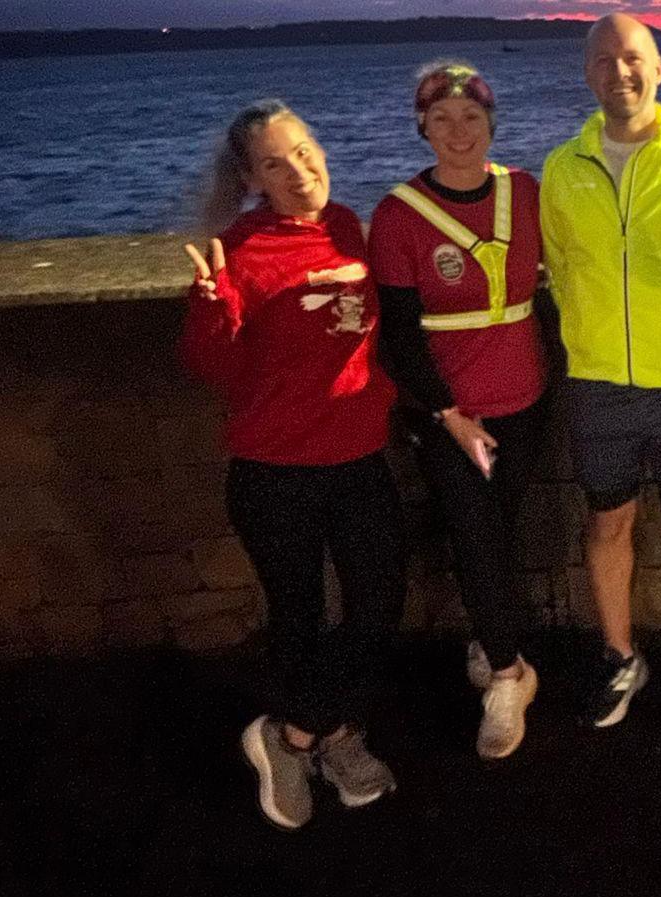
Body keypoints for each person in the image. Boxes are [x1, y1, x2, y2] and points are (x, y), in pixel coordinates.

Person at [181, 100, 404, 830]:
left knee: (376, 603)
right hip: (276, 470)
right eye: (275, 163)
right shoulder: (239, 253)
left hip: (359, 457)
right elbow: (216, 370)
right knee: (300, 616)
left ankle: (290, 737)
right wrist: (214, 306)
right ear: (252, 178)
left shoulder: (344, 225)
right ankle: (334, 740)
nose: (299, 170)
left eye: (304, 150)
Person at [539, 13, 661, 741]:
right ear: (588, 75)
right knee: (607, 525)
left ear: (658, 70)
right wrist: (591, 338)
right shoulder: (562, 170)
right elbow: (559, 271)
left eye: (632, 59)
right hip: (599, 383)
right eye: (603, 61)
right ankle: (620, 656)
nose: (619, 72)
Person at [368, 61, 548, 761]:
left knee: (498, 531)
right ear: (422, 126)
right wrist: (449, 413)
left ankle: (488, 634)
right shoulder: (397, 216)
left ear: (491, 123)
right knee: (474, 535)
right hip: (451, 414)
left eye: (471, 116)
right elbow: (399, 333)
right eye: (441, 118)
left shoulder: (525, 192)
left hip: (526, 399)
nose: (458, 131)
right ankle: (509, 674)